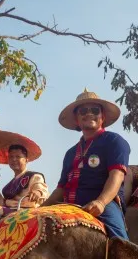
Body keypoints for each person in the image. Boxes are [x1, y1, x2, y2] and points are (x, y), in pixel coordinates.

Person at [45, 90, 131, 239]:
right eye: (83, 111)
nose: (89, 114)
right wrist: (37, 209)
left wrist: (101, 202)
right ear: (77, 120)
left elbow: (116, 176)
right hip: (68, 206)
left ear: (102, 117)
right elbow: (60, 189)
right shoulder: (70, 153)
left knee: (119, 243)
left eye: (95, 110)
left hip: (102, 203)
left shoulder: (114, 141)